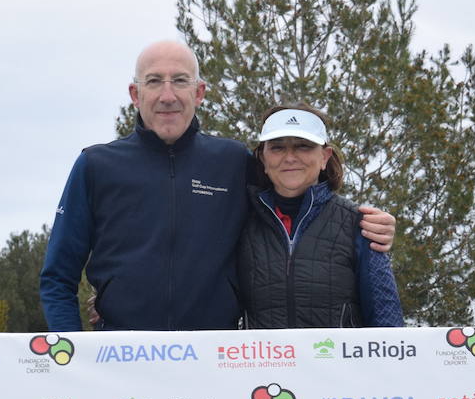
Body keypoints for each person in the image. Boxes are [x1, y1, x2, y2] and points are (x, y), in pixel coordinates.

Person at [39, 40, 394, 332]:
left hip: (218, 363)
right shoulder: (96, 166)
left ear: (200, 92)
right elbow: (57, 277)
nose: (167, 95)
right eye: (153, 81)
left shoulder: (233, 161)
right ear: (135, 93)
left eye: (179, 81)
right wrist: (73, 353)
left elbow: (296, 198)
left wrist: (366, 224)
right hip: (118, 357)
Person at [239, 104, 403, 328]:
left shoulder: (359, 223)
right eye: (277, 148)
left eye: (303, 146)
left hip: (340, 364)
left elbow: (386, 318)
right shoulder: (240, 221)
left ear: (325, 157)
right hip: (263, 363)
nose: (289, 157)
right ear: (262, 158)